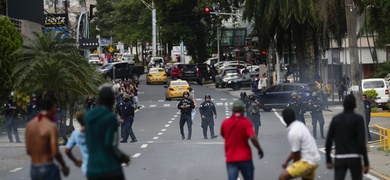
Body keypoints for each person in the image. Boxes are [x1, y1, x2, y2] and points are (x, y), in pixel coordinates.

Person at [84, 84, 131, 180]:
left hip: (92, 168)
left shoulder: (88, 116)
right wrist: (123, 158)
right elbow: (110, 145)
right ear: (111, 99)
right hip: (110, 169)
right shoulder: (110, 118)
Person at [325, 94, 370, 180]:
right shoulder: (358, 119)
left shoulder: (336, 119)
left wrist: (328, 160)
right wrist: (366, 162)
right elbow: (361, 142)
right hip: (354, 157)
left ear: (343, 104)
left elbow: (329, 140)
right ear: (355, 105)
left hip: (340, 157)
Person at [25, 94, 69, 180]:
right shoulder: (51, 126)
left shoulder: (30, 126)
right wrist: (63, 165)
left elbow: (28, 150)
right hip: (48, 167)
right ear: (52, 108)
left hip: (34, 168)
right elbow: (55, 152)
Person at [221, 100, 264, 180]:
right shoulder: (246, 122)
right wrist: (259, 149)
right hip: (245, 157)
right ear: (243, 111)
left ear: (232, 110)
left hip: (231, 157)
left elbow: (223, 134)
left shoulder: (225, 123)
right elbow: (253, 137)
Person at [279, 108, 321, 180]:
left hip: (308, 162)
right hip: (315, 159)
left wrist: (295, 167)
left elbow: (296, 153)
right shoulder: (300, 125)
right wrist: (287, 161)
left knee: (283, 177)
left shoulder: (293, 132)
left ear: (284, 119)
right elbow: (296, 150)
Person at [65, 111, 88, 176]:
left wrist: (75, 160)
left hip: (87, 168)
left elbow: (67, 150)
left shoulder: (76, 134)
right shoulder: (95, 130)